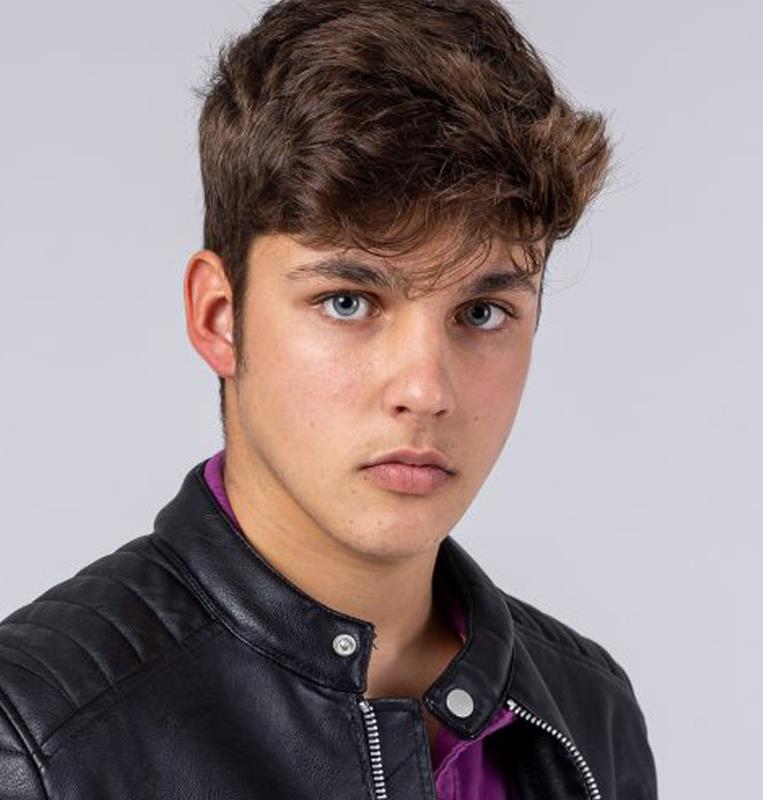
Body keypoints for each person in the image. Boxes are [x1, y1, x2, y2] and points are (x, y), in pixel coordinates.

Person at [0, 1, 658, 797]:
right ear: (219, 317)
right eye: (349, 302)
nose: (425, 391)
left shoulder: (588, 712)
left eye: (482, 313)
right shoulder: (34, 736)